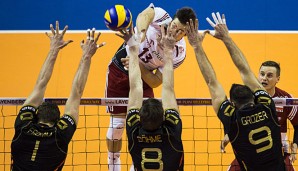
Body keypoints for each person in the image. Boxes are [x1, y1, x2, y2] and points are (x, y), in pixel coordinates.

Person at [185, 12, 286, 170]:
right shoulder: (267, 106)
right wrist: (226, 37)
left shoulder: (233, 120)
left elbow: (212, 82)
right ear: (254, 97)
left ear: (232, 104)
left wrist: (197, 46)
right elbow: (245, 71)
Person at [105, 3, 196, 170]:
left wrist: (135, 61)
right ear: (172, 21)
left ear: (185, 34)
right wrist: (139, 37)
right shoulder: (162, 17)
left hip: (142, 79)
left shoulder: (178, 53)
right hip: (118, 71)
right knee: (117, 126)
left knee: (145, 126)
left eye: (180, 32)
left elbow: (155, 82)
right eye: (174, 26)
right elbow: (143, 16)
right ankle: (113, 164)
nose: (174, 32)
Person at [10, 21, 105, 171]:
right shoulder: (59, 136)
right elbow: (77, 92)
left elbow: (40, 84)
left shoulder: (23, 127)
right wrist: (87, 56)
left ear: (35, 116)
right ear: (57, 122)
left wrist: (53, 50)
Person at [119, 21, 184, 170]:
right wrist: (169, 51)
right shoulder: (171, 132)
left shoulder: (134, 132)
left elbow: (135, 88)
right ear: (163, 118)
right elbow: (168, 89)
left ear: (140, 119)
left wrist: (132, 50)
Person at [223, 60, 298, 171]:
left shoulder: (286, 99)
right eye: (262, 74)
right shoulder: (246, 98)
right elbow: (232, 118)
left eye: (269, 75)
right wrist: (227, 133)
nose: (264, 78)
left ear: (278, 79)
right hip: (250, 152)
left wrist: (295, 144)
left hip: (277, 152)